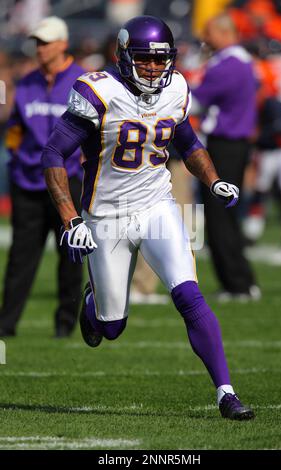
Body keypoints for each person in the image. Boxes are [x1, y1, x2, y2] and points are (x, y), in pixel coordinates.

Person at [42, 15, 254, 420]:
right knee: (112, 326)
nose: (155, 68)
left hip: (158, 205)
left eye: (161, 60)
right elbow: (53, 154)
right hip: (105, 216)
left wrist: (212, 181)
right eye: (145, 60)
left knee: (188, 294)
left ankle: (226, 393)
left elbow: (188, 142)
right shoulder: (97, 91)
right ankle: (94, 303)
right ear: (124, 56)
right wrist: (72, 220)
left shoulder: (175, 88)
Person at [0, 17, 85, 338]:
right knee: (21, 258)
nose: (40, 48)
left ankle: (65, 325)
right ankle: (6, 324)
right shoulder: (27, 82)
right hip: (28, 182)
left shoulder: (83, 82)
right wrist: (14, 158)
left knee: (71, 256)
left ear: (63, 44)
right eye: (37, 42)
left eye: (46, 42)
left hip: (67, 182)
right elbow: (15, 129)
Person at [192, 14, 261, 301]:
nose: (205, 39)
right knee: (225, 215)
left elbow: (195, 101)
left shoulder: (229, 65)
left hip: (225, 144)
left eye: (210, 33)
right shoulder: (241, 62)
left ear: (225, 33)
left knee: (219, 215)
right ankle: (240, 281)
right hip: (234, 143)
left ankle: (237, 283)